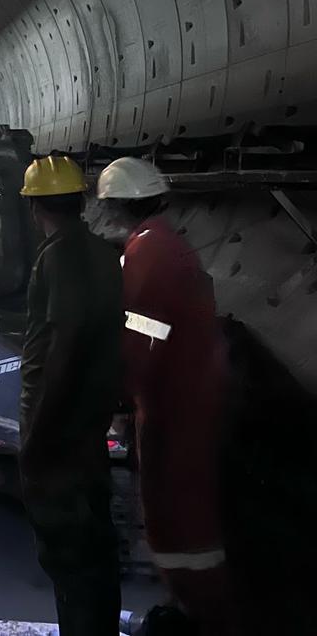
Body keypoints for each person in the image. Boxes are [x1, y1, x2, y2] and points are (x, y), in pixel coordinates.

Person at [97, 157, 233, 634]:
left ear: (116, 204)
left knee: (178, 512)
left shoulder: (148, 254)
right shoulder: (163, 243)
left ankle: (195, 614)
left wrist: (117, 393)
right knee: (187, 506)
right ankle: (195, 605)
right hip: (190, 394)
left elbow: (145, 334)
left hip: (172, 405)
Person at [18, 156, 123, 636]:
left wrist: (39, 436)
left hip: (58, 431)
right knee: (95, 550)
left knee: (68, 558)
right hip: (88, 424)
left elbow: (65, 341)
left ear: (35, 206)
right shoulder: (103, 252)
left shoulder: (56, 257)